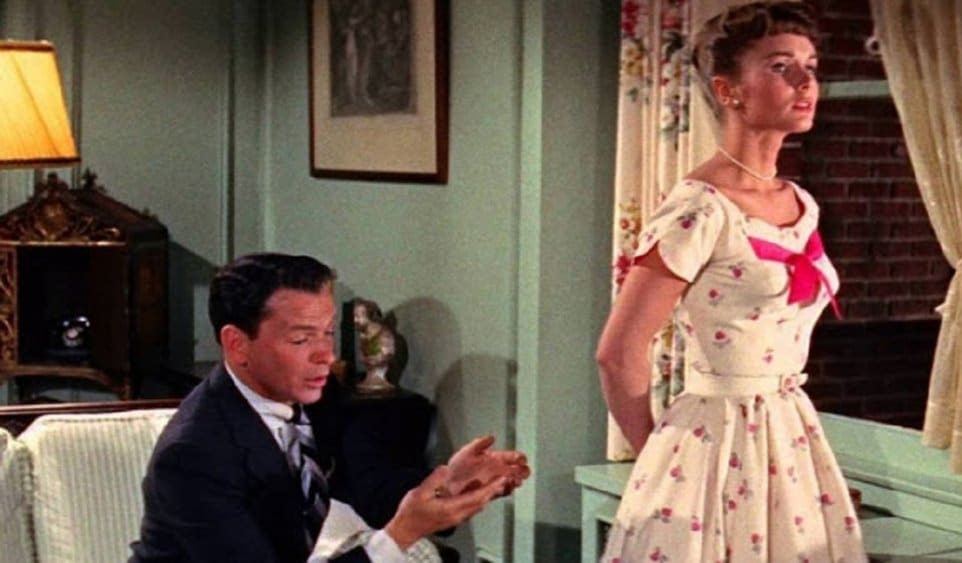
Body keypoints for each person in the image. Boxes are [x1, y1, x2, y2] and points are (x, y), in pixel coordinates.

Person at [596, 3, 867, 561]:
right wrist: (658, 460)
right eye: (780, 66)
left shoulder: (801, 204)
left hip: (789, 435)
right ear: (729, 91)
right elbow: (618, 353)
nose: (805, 82)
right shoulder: (700, 209)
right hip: (712, 440)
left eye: (811, 66)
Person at [130, 253, 529, 562]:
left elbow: (370, 482)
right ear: (237, 345)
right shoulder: (193, 456)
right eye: (302, 339)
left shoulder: (316, 393)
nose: (326, 355)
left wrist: (447, 484)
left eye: (327, 332)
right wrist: (400, 534)